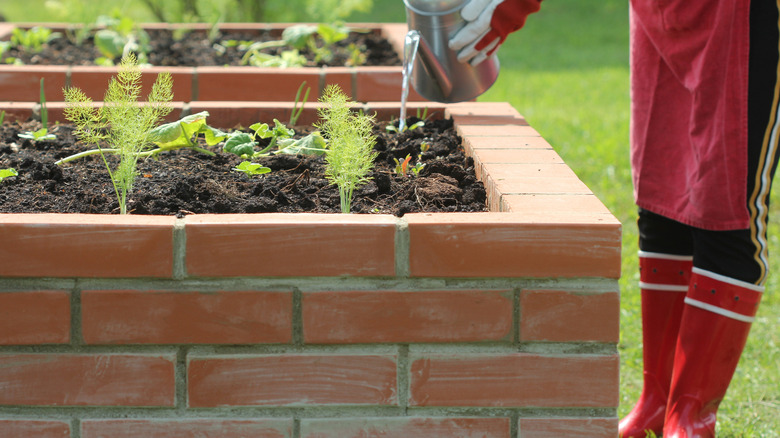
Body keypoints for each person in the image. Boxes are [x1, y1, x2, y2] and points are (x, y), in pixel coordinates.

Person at [450, 1, 776, 437]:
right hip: (656, 12)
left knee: (726, 202)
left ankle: (692, 415)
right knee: (660, 198)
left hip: (735, 16)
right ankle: (656, 402)